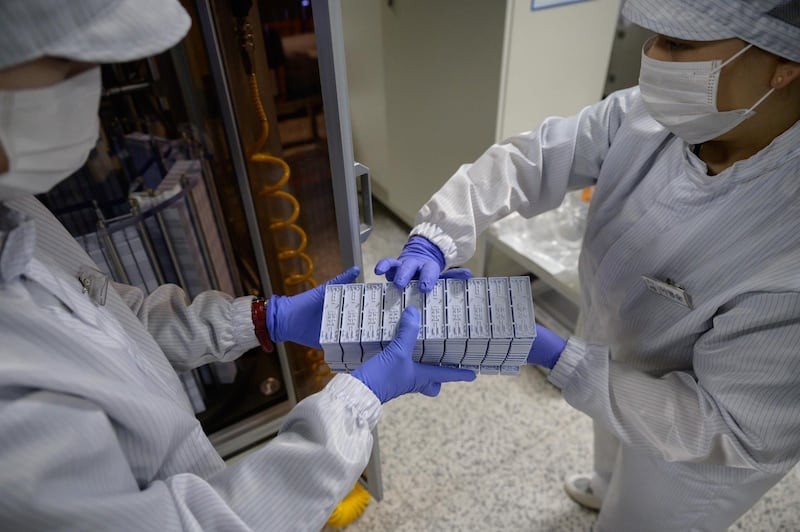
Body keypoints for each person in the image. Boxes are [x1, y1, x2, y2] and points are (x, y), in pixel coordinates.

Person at [0, 1, 477, 531]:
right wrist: (357, 399)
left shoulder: (14, 206)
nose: (90, 85)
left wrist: (262, 320)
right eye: (68, 66)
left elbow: (107, 318)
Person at [376, 0, 800, 530]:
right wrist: (438, 235)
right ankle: (606, 482)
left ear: (783, 64)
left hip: (701, 446)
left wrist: (552, 353)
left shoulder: (787, 240)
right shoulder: (654, 115)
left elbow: (729, 428)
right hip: (614, 339)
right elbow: (533, 159)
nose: (654, 59)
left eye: (679, 46)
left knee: (643, 514)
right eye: (654, 38)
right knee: (609, 434)